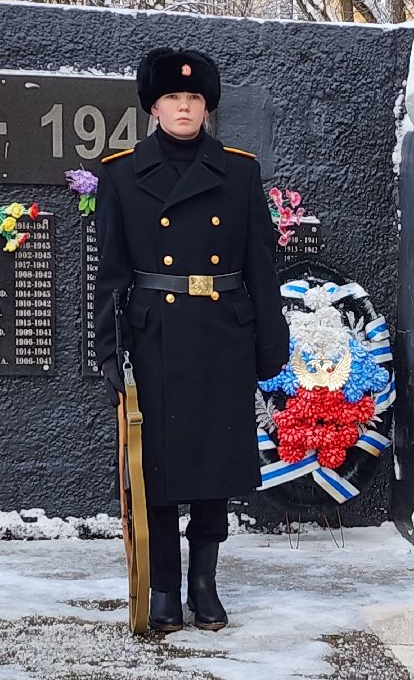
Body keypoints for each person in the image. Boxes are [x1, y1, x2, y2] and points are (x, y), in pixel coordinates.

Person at [93, 48, 289, 632]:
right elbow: (110, 274)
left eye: (195, 98)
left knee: (214, 465)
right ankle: (163, 590)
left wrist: (268, 343)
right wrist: (109, 352)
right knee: (159, 466)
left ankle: (204, 585)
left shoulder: (240, 171)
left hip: (222, 333)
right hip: (156, 337)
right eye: (173, 98)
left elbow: (261, 264)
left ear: (207, 106)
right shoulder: (122, 173)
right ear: (153, 107)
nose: (184, 107)